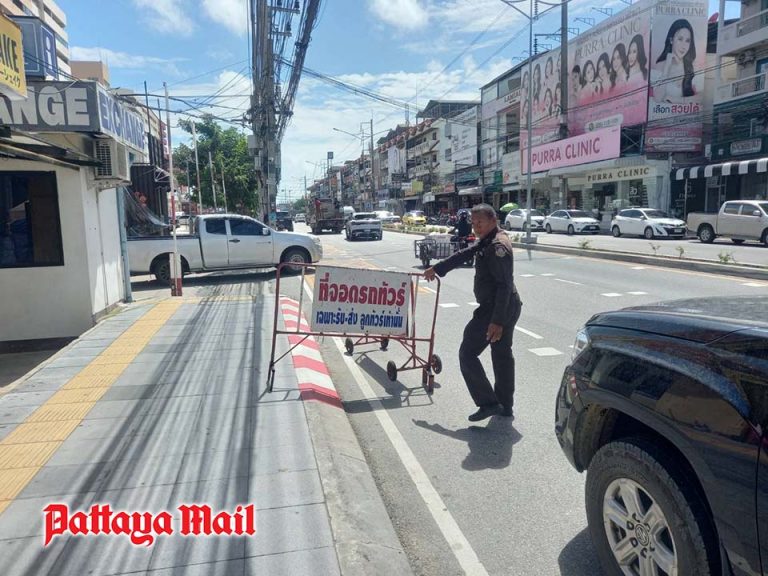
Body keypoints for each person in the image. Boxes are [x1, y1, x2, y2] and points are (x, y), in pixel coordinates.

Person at [424, 204, 523, 422]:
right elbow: (466, 253)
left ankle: (489, 403)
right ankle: (505, 405)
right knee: (502, 355)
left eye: (480, 223)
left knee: (467, 353)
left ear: (493, 221)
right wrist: (438, 268)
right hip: (506, 305)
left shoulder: (498, 246)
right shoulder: (490, 239)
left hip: (496, 308)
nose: (476, 227)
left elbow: (504, 286)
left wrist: (497, 321)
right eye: (473, 223)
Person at [653, 19, 696, 102]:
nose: (683, 46)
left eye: (687, 41)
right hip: (661, 110)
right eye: (680, 39)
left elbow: (700, 98)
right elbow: (657, 98)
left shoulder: (691, 67)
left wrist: (674, 99)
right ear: (671, 40)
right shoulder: (660, 66)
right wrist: (666, 68)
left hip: (686, 111)